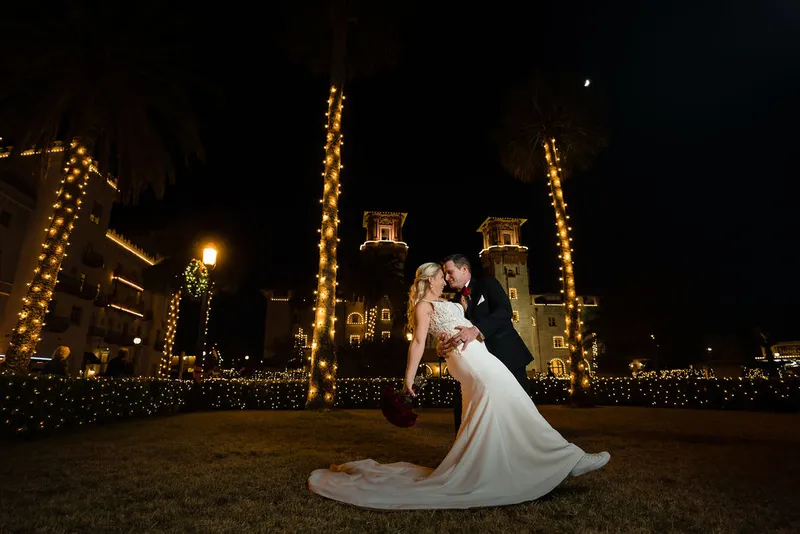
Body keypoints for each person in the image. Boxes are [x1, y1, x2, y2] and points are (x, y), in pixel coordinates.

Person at [308, 262, 610, 510]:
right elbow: (417, 343)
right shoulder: (424, 306)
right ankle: (568, 458)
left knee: (503, 404)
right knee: (505, 398)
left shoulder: (451, 302)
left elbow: (466, 325)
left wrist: (464, 325)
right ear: (430, 280)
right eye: (441, 276)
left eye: (447, 274)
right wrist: (409, 378)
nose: (445, 279)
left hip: (481, 354)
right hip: (467, 361)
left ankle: (500, 466)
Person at [439, 253, 533, 434]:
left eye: (450, 272)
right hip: (479, 365)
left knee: (522, 409)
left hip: (507, 357)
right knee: (466, 407)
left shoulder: (487, 284)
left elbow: (505, 311)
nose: (447, 278)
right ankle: (466, 451)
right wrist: (442, 347)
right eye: (445, 275)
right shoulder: (454, 303)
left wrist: (476, 330)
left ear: (464, 269)